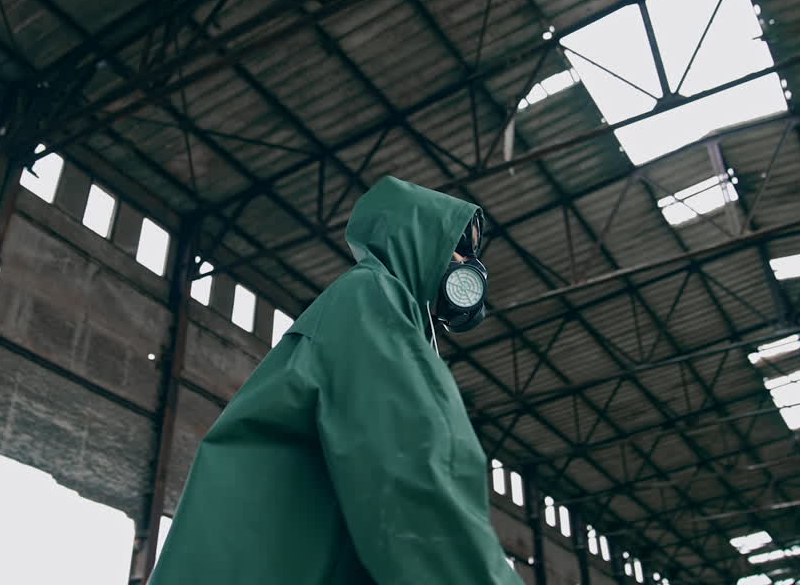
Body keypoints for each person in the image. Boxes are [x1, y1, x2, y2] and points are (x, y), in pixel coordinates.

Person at [148, 175, 521, 585]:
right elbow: (413, 474)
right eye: (462, 248)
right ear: (419, 237)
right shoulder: (374, 299)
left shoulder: (389, 315)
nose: (471, 264)